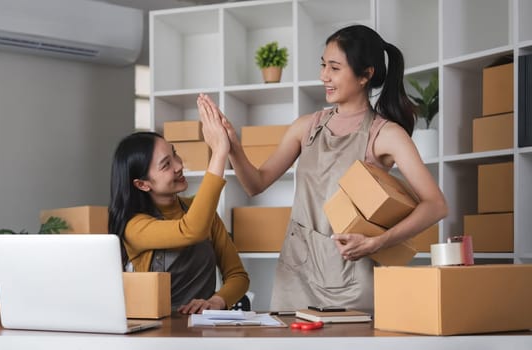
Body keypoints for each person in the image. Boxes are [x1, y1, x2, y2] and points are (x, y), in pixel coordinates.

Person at [198, 24, 448, 312]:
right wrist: (231, 145)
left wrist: (377, 243)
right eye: (323, 65)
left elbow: (436, 205)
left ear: (365, 75)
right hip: (296, 272)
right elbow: (256, 183)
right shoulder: (306, 126)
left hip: (351, 276)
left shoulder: (386, 135)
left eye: (334, 67)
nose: (323, 76)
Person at [108, 100, 249, 314]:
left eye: (174, 154)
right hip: (156, 333)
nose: (179, 165)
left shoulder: (203, 212)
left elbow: (238, 276)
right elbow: (191, 230)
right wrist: (219, 152)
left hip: (202, 329)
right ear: (142, 184)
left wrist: (217, 301)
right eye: (166, 164)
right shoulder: (134, 226)